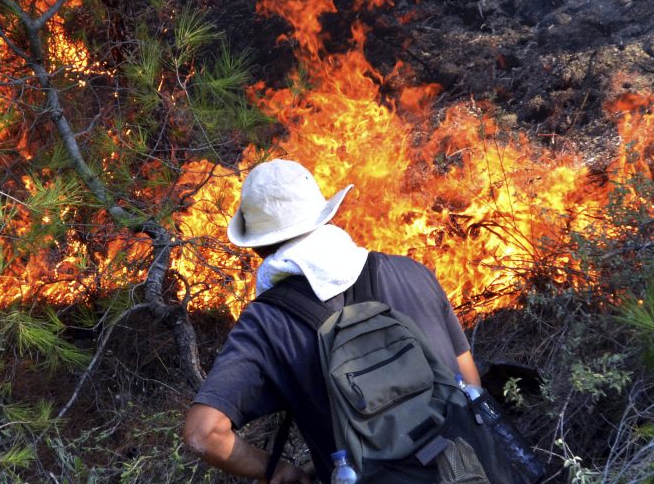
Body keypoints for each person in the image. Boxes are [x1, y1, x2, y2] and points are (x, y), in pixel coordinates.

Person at [182, 159, 481, 483]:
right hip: (467, 471)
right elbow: (470, 386)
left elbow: (203, 433)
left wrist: (282, 471)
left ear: (256, 246)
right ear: (324, 216)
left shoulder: (267, 322)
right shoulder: (412, 273)